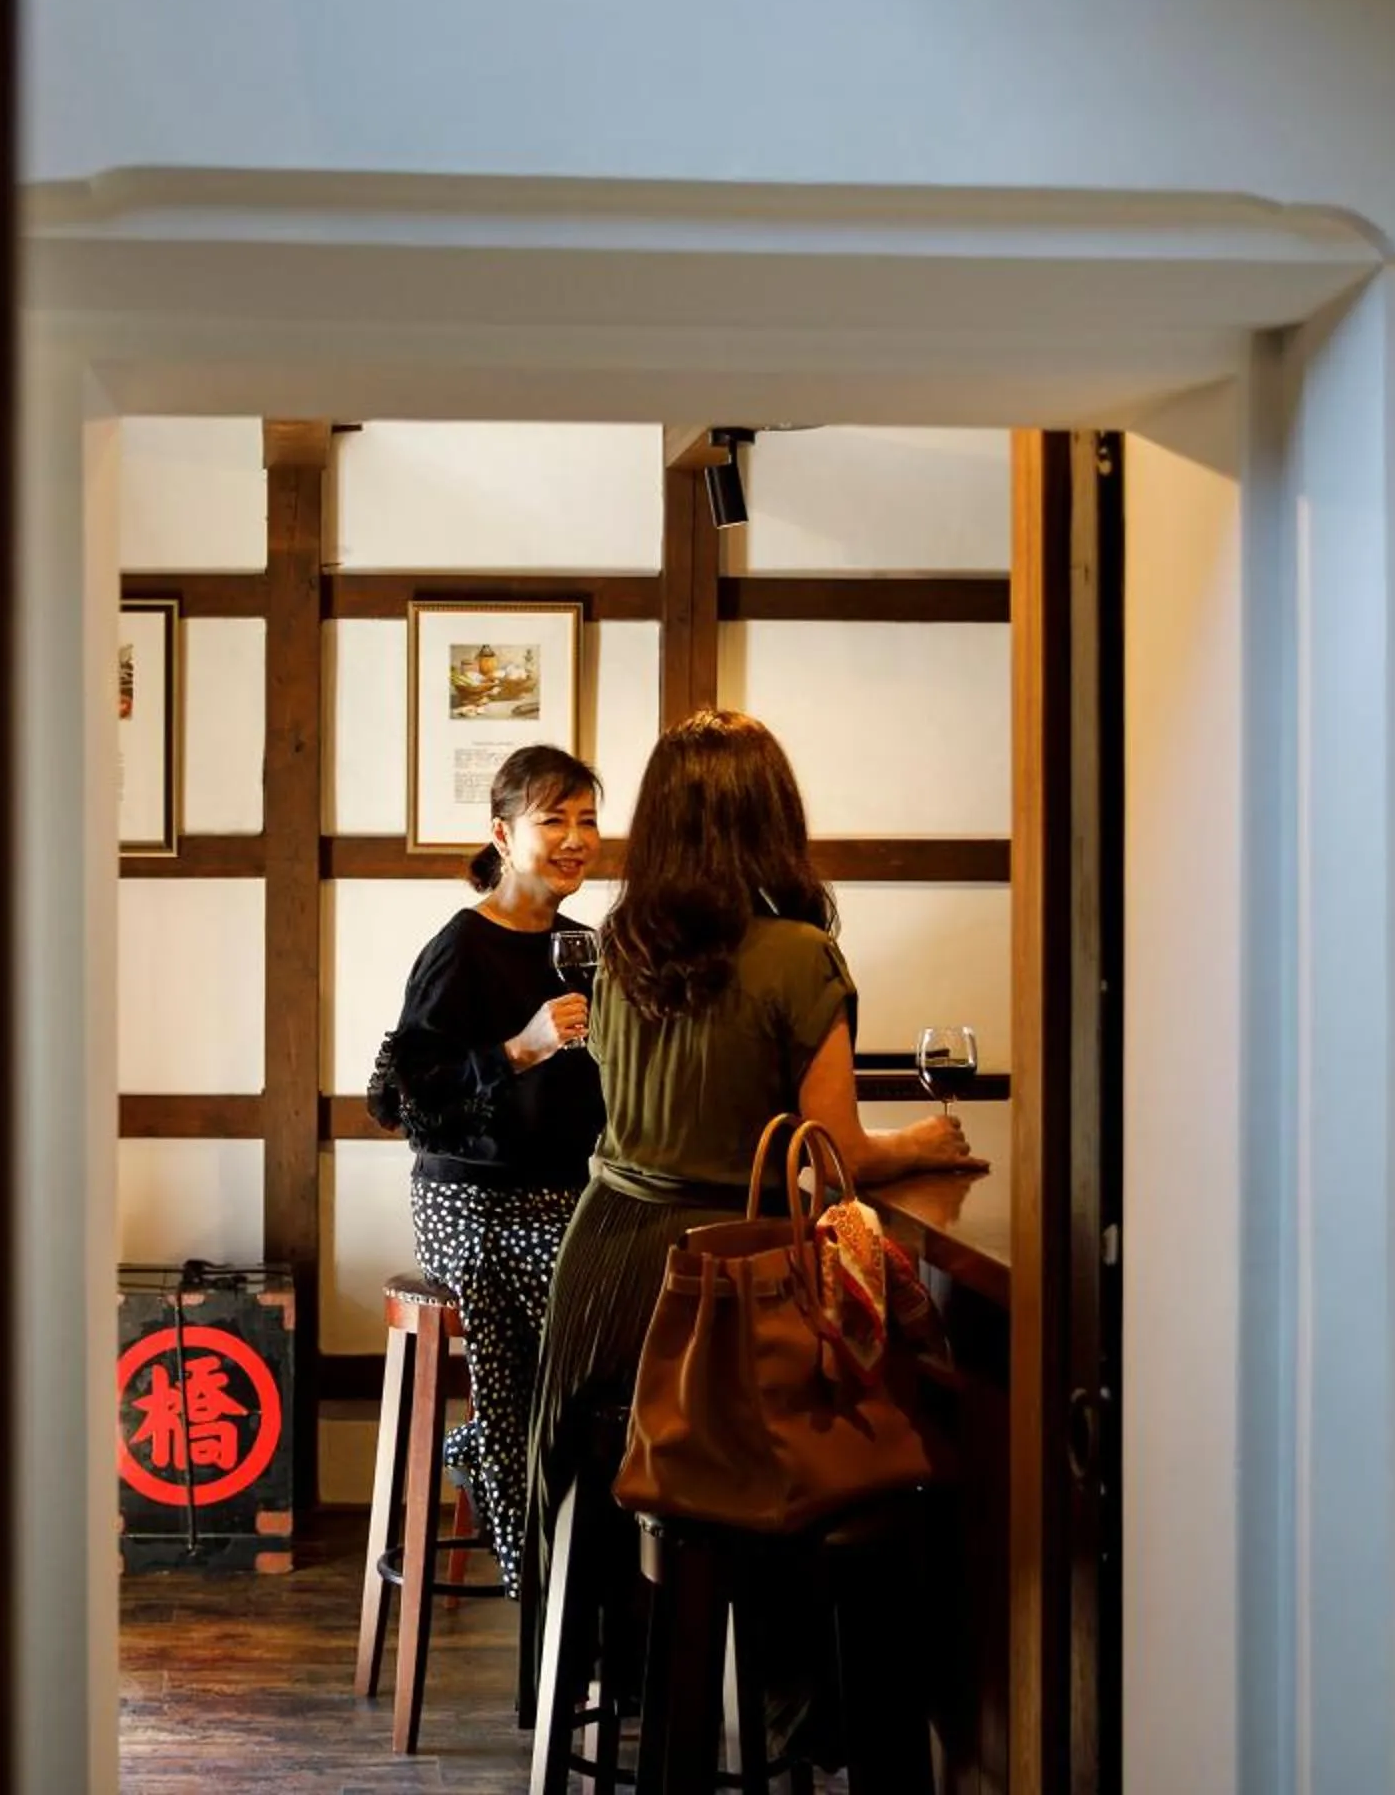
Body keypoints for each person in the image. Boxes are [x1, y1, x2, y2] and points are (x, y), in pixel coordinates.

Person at [524, 710, 985, 1754]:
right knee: (856, 1457)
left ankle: (634, 1685)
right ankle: (804, 1713)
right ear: (774, 817)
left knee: (619, 1479)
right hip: (730, 1287)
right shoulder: (797, 956)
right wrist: (921, 1138)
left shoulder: (618, 945)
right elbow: (834, 1152)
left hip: (602, 1273)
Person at [379, 743, 606, 1598]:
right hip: (469, 1198)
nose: (576, 839)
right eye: (555, 820)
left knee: (632, 1314)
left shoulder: (586, 946)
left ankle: (578, 1560)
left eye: (587, 820)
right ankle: (549, 1588)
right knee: (559, 1326)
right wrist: (521, 1048)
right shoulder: (461, 949)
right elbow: (404, 1100)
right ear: (504, 836)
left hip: (567, 1196)